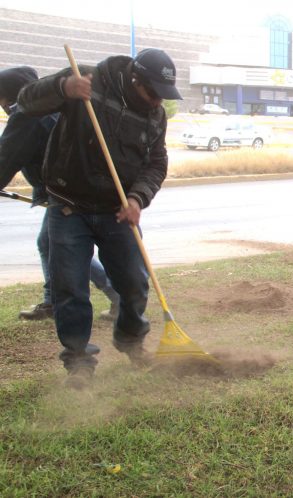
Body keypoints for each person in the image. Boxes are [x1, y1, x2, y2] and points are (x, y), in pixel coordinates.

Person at [18, 48, 182, 388]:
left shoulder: (155, 116)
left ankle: (131, 341)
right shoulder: (87, 82)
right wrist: (63, 89)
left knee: (134, 284)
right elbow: (26, 102)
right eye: (152, 92)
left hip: (117, 211)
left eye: (162, 96)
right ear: (134, 79)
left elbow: (156, 163)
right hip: (69, 206)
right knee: (70, 290)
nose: (156, 101)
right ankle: (79, 364)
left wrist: (138, 198)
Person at [0, 66, 120, 323]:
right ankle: (54, 301)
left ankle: (117, 297)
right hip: (74, 187)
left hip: (64, 192)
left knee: (61, 246)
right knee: (53, 245)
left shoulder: (27, 116)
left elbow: (7, 156)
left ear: (9, 96)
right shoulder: (50, 109)